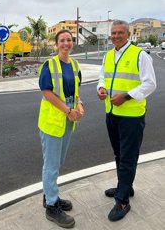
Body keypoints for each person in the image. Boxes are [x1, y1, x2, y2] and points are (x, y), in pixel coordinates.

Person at [97, 20, 156, 221]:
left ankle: (122, 200)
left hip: (131, 116)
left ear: (128, 34)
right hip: (112, 113)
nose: (115, 36)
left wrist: (127, 96)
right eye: (113, 33)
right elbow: (102, 78)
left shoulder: (140, 55)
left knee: (128, 158)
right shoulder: (108, 55)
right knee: (119, 154)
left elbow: (150, 84)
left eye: (120, 33)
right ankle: (125, 187)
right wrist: (100, 89)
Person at [38, 29, 85, 228]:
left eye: (69, 40)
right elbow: (46, 92)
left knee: (59, 162)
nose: (66, 43)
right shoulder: (49, 65)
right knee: (51, 165)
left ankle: (49, 195)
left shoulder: (74, 65)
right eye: (62, 40)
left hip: (68, 120)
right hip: (52, 121)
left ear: (72, 43)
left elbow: (76, 91)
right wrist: (68, 110)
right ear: (56, 44)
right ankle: (51, 206)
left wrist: (79, 105)